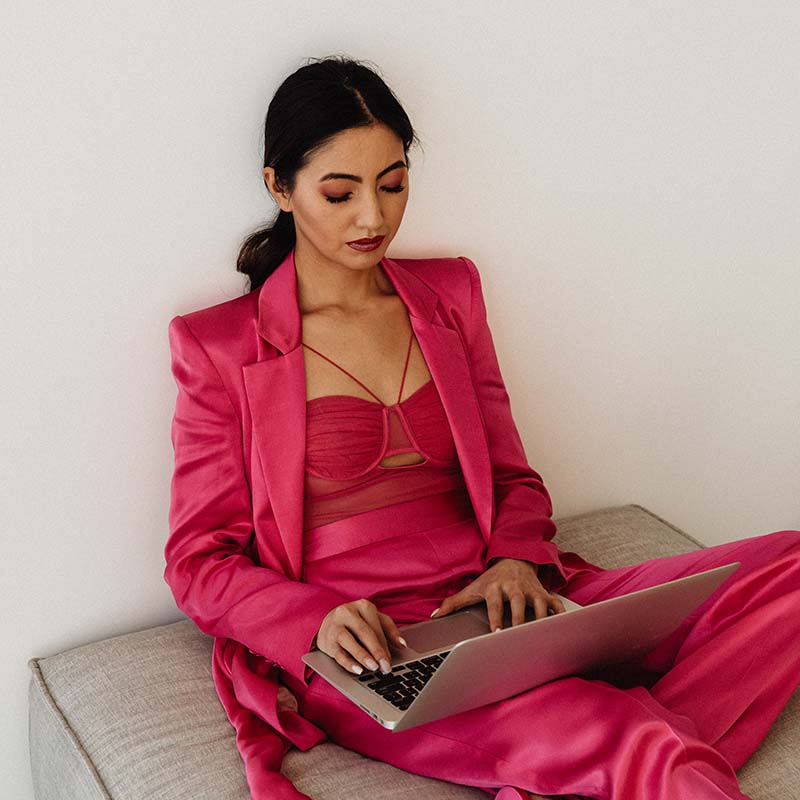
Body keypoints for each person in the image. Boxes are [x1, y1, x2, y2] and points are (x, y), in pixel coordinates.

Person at [164, 55, 800, 800]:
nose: (374, 217)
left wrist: (514, 560)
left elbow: (512, 480)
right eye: (340, 193)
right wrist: (314, 622)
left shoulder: (450, 295)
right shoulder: (218, 346)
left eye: (393, 184)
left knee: (790, 565)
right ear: (280, 186)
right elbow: (196, 560)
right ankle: (625, 750)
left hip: (505, 605)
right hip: (376, 651)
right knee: (648, 749)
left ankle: (577, 756)